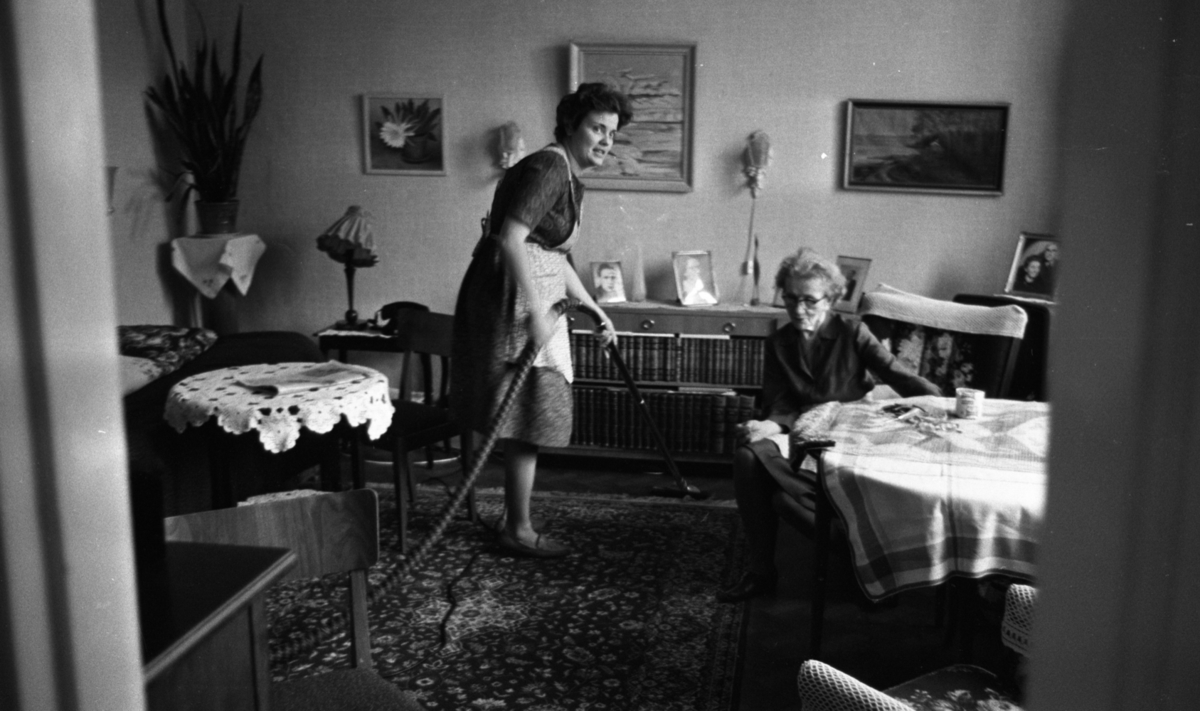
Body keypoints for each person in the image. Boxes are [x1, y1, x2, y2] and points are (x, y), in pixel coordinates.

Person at [452, 83, 632, 558]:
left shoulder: (568, 175)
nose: (606, 141)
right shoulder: (550, 167)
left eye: (612, 133)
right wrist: (534, 311)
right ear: (570, 125)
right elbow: (512, 239)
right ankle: (518, 528)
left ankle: (517, 521)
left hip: (537, 290)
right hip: (514, 295)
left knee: (528, 412)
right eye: (597, 128)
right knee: (526, 408)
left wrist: (593, 308)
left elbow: (553, 257)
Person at [716, 248, 941, 602]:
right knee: (747, 454)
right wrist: (769, 426)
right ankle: (762, 572)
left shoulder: (853, 333)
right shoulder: (779, 342)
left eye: (809, 300)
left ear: (831, 299)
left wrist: (944, 403)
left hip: (849, 428)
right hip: (800, 427)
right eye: (791, 298)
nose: (798, 308)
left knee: (780, 494)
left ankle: (821, 517)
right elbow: (780, 403)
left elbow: (898, 376)